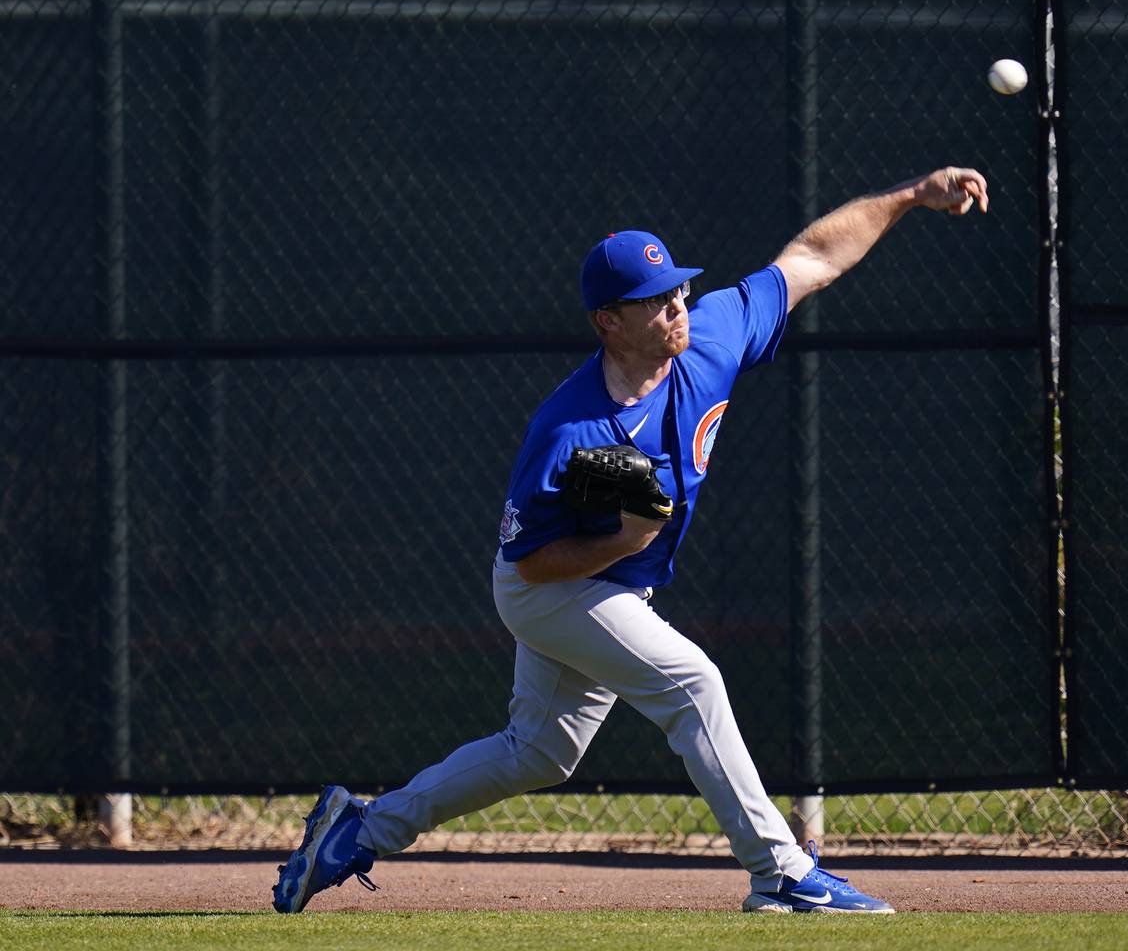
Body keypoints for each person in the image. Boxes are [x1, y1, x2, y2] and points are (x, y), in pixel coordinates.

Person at [272, 166, 989, 915]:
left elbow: (810, 258)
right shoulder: (568, 430)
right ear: (607, 321)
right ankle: (778, 871)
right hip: (551, 588)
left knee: (539, 753)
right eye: (655, 301)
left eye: (678, 289)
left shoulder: (707, 338)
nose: (677, 306)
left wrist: (910, 197)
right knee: (693, 683)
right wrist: (623, 541)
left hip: (614, 581)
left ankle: (358, 831)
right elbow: (530, 563)